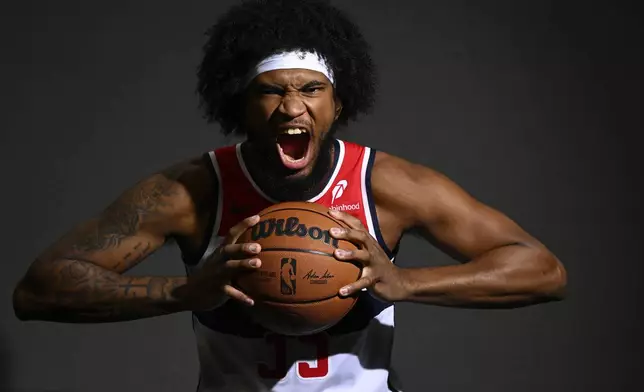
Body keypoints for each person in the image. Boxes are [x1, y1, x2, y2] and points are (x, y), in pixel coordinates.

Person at [12, 0, 567, 391]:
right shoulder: (190, 192)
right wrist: (181, 292)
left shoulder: (388, 187)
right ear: (240, 105)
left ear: (338, 103)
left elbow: (542, 271)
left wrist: (406, 282)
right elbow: (37, 291)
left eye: (311, 90)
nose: (292, 108)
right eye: (271, 91)